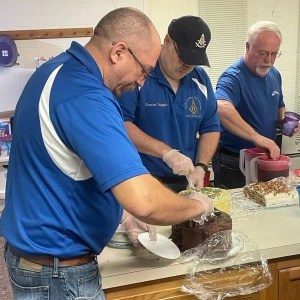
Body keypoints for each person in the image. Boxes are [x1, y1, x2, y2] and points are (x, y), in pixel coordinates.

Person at [0, 7, 214, 300]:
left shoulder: (56, 71)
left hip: (37, 257)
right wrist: (199, 205)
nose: (142, 81)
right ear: (119, 52)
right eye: (144, 70)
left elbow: (71, 164)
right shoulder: (86, 95)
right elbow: (146, 202)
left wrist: (122, 215)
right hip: (59, 273)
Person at [119, 16, 220, 193]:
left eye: (193, 61)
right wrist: (167, 153)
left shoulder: (200, 79)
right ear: (166, 41)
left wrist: (200, 167)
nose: (187, 65)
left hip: (186, 182)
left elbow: (210, 127)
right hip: (144, 181)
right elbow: (122, 125)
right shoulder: (140, 73)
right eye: (183, 57)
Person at [212, 20, 295, 189]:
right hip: (235, 161)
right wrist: (257, 137)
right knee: (237, 213)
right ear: (248, 47)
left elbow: (279, 105)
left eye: (274, 54)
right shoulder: (233, 77)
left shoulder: (274, 74)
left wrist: (286, 119)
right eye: (263, 53)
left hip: (265, 159)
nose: (268, 60)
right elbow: (220, 108)